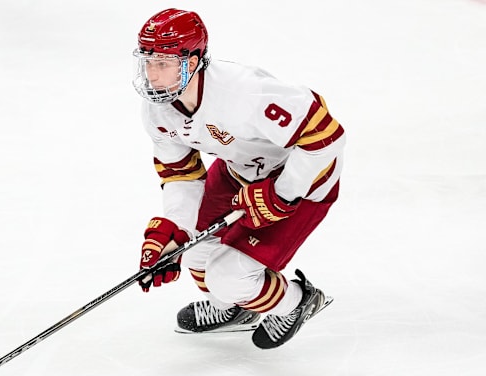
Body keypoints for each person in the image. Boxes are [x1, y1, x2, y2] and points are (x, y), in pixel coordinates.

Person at [133, 8, 344, 349]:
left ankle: (296, 301)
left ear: (194, 59)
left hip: (303, 178)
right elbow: (181, 173)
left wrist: (282, 193)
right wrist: (175, 231)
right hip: (240, 170)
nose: (153, 76)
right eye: (148, 62)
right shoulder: (157, 109)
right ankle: (233, 310)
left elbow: (326, 137)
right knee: (196, 253)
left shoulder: (244, 92)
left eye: (164, 63)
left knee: (228, 276)